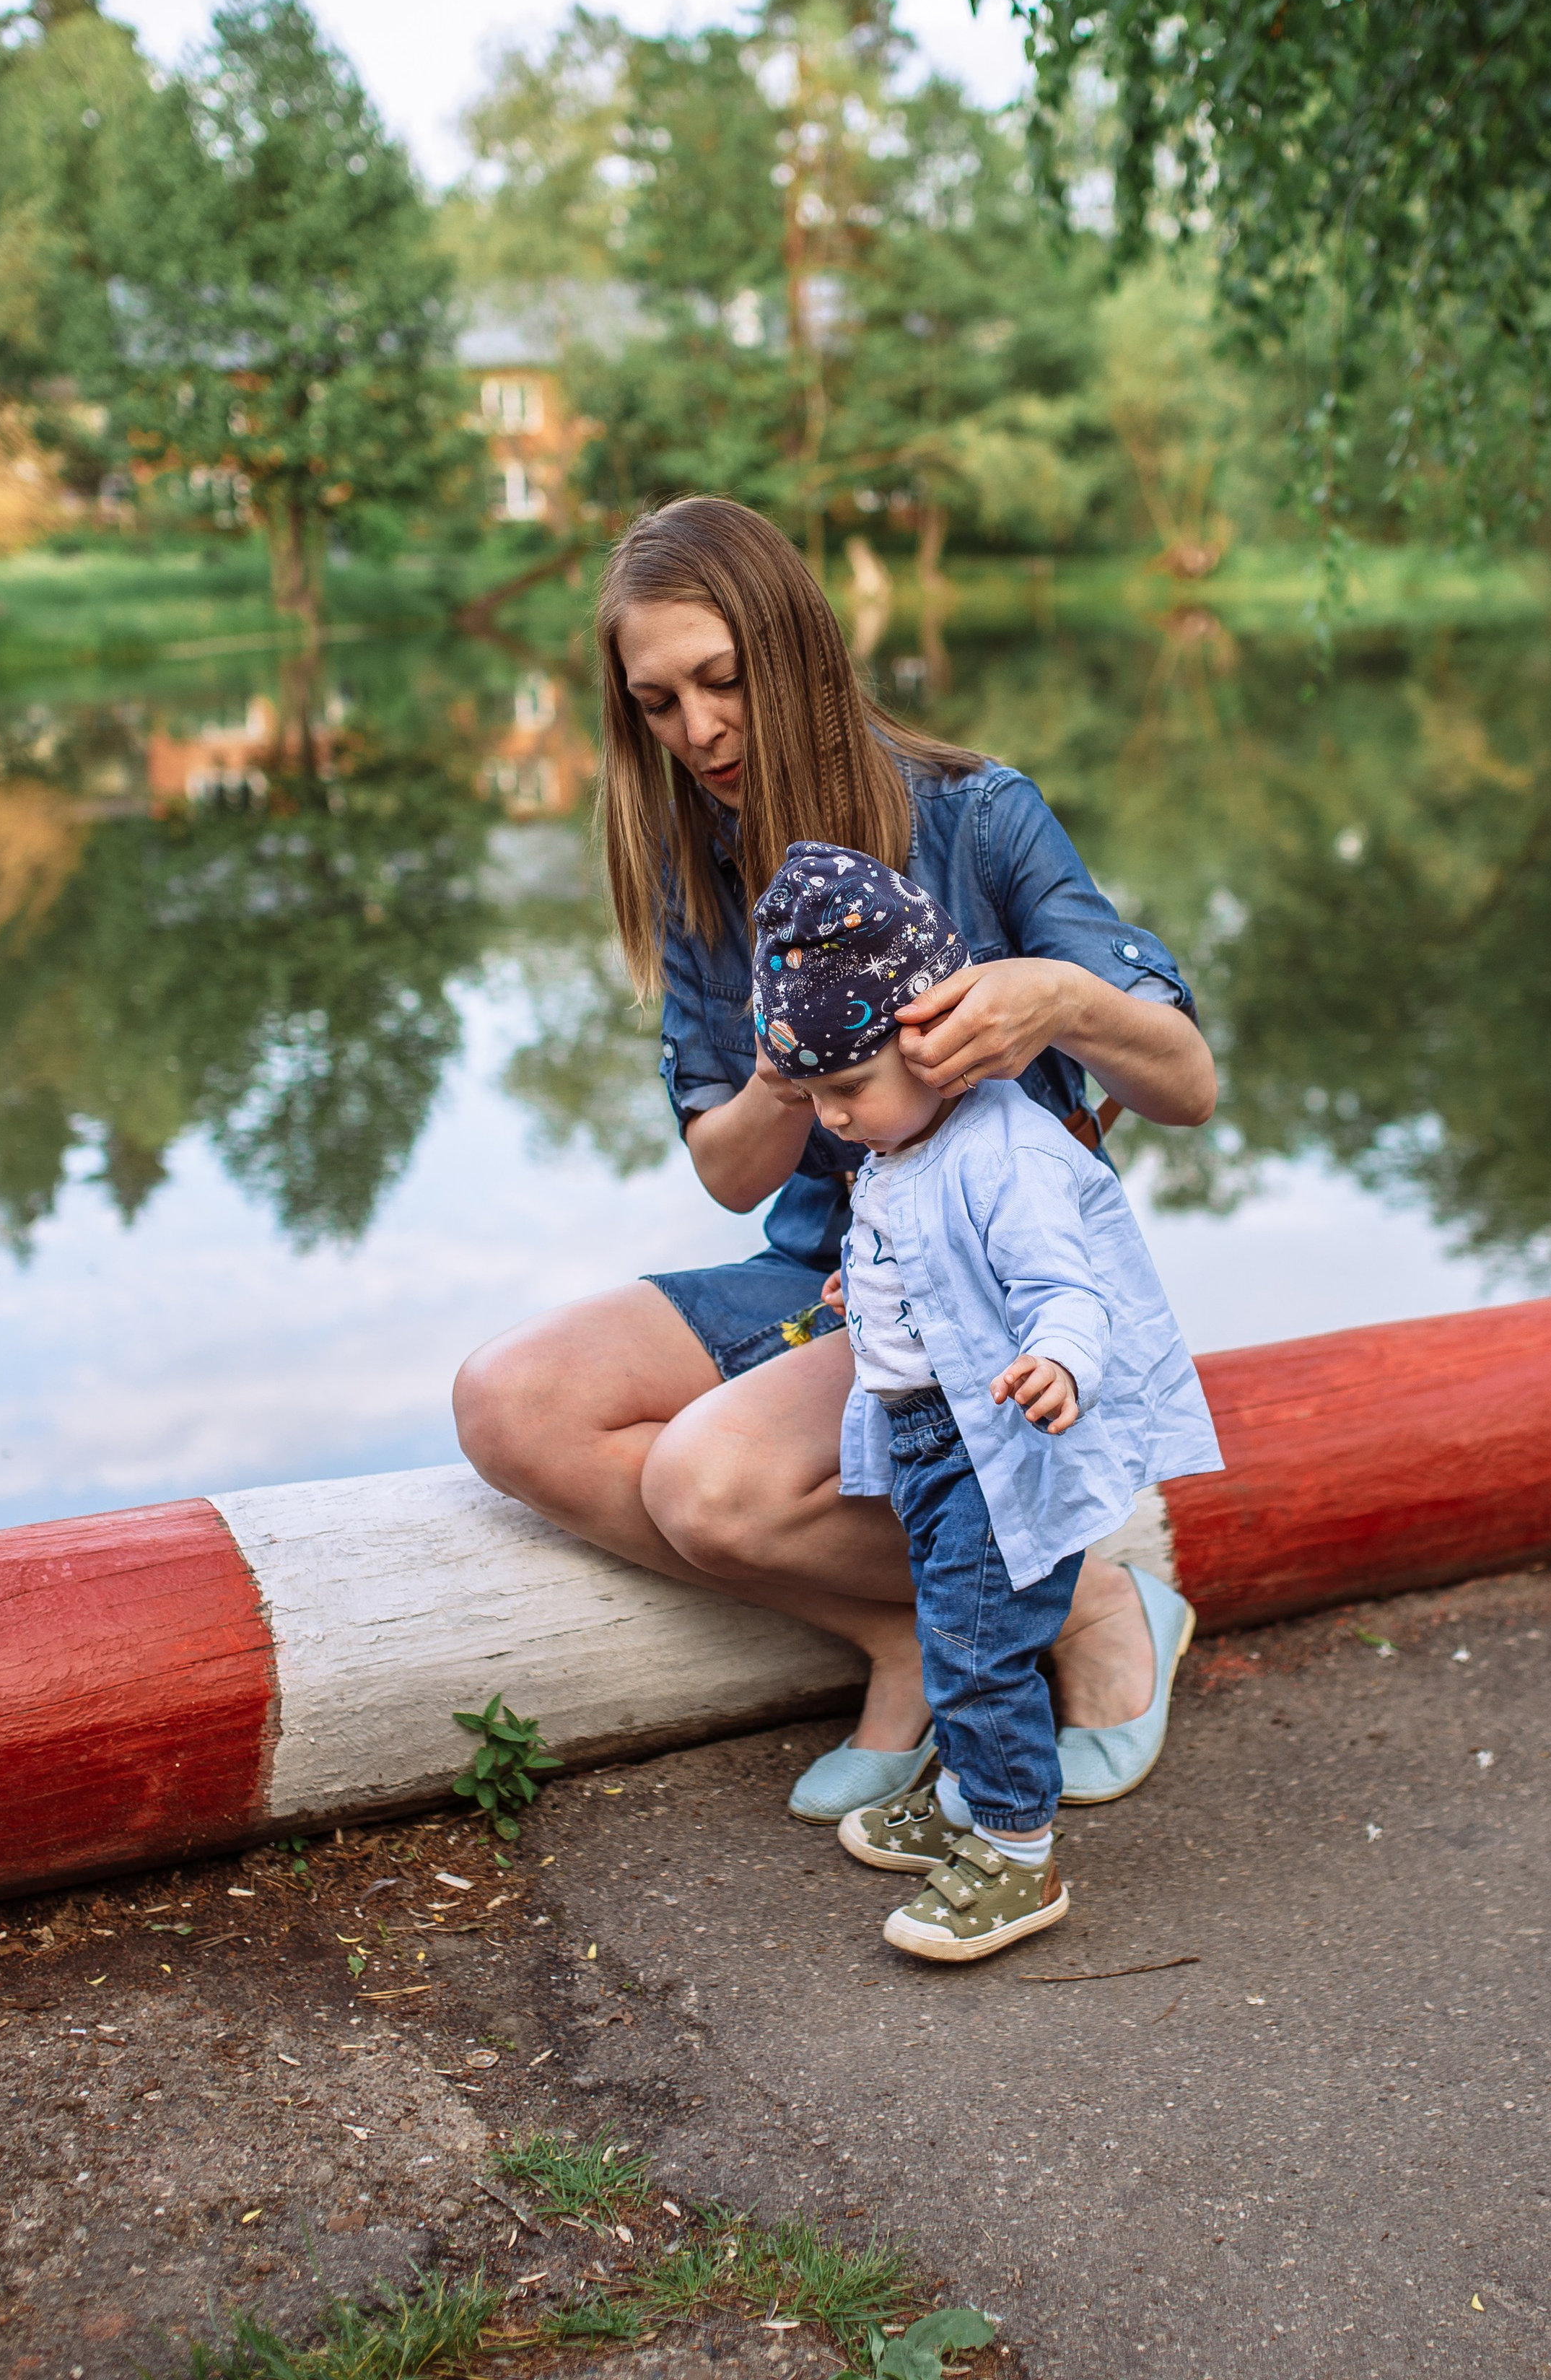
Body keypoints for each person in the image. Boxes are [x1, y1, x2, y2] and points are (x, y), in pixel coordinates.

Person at [453, 497, 1219, 1821]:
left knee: (707, 1482)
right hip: (826, 1272)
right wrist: (782, 1071)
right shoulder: (697, 861)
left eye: (723, 682)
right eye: (656, 703)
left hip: (990, 1293)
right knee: (509, 1401)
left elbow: (1188, 1087)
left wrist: (1058, 1000)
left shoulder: (980, 816)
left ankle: (1097, 1605)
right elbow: (730, 1174)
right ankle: (907, 1630)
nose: (698, 731)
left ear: (798, 654)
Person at [751, 839, 1222, 1961]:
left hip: (997, 1441)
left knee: (974, 1653)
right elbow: (912, 1251)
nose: (833, 1118)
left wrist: (1058, 1362)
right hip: (929, 1442)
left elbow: (1066, 1287)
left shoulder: (1005, 1151)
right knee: (955, 1627)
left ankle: (1015, 1854)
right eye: (813, 1096)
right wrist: (863, 1288)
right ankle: (970, 1794)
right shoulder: (901, 1146)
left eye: (848, 1089)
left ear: (937, 1050)